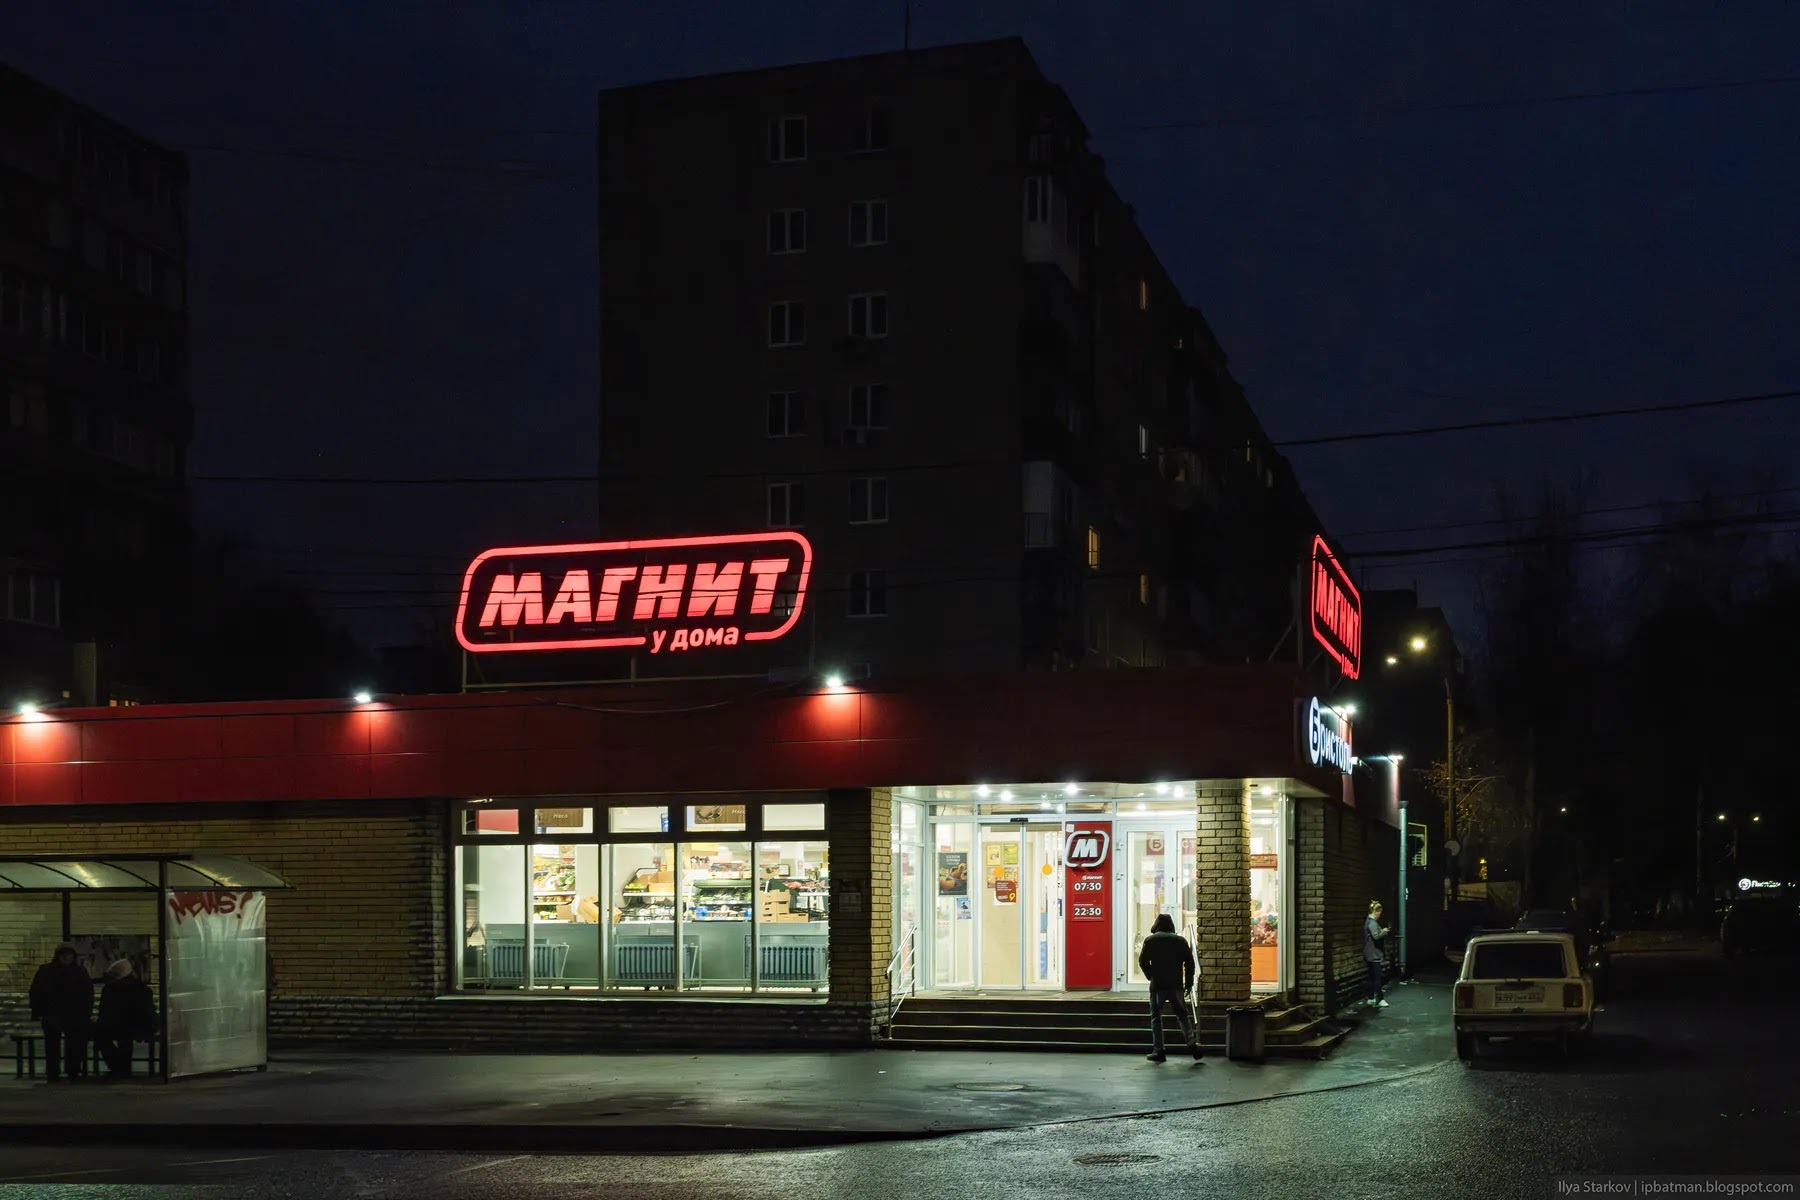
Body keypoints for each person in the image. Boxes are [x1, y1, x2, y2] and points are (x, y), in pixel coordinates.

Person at [1137, 913, 1200, 1063]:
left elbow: (1142, 961)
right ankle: (1191, 1041)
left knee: (1156, 1017)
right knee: (1182, 1015)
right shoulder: (1180, 941)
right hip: (1175, 985)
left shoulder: (1150, 940)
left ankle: (1159, 1051)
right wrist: (1189, 983)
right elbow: (1190, 963)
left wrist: (1151, 976)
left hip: (1158, 985)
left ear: (1157, 925)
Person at [29, 944, 94, 1081]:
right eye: (63, 954)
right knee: (59, 1044)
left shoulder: (48, 970)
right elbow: (36, 992)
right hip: (59, 1013)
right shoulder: (78, 971)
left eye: (68, 954)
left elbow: (88, 994)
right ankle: (61, 1072)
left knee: (67, 1044)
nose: (66, 957)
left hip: (65, 1013)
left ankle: (65, 1071)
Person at [95, 958, 156, 1078]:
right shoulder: (141, 988)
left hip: (118, 1025)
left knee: (104, 1039)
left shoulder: (110, 989)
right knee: (125, 1040)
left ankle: (118, 1067)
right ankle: (123, 1068)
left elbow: (105, 1010)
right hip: (137, 1025)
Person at [1364, 901, 1392, 1008]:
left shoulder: (1368, 921)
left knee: (1371, 976)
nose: (1380, 915)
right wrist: (1384, 931)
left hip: (1369, 953)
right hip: (1374, 954)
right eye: (1380, 912)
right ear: (1376, 912)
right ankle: (1380, 999)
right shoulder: (1372, 923)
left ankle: (1371, 998)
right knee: (1377, 977)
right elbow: (1376, 936)